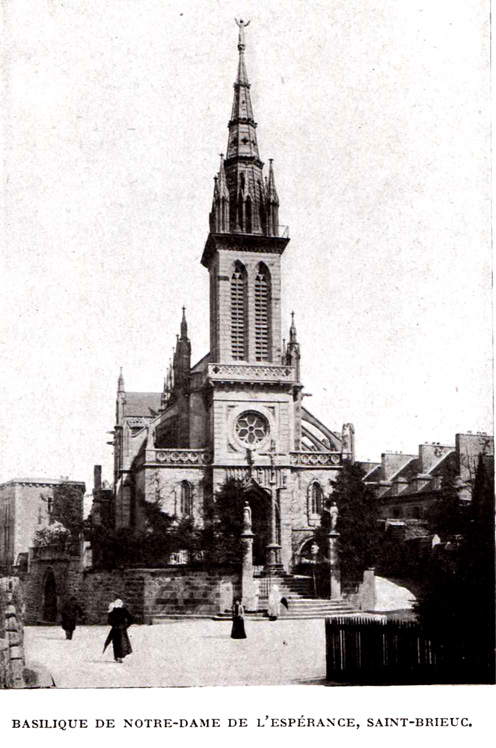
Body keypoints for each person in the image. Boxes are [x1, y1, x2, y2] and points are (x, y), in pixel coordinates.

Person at [103, 598, 135, 663]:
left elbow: (109, 621)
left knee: (116, 643)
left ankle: (117, 656)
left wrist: (114, 625)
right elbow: (131, 618)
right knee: (122, 642)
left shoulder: (112, 611)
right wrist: (126, 625)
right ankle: (121, 656)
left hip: (115, 629)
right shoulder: (124, 610)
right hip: (122, 629)